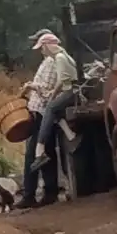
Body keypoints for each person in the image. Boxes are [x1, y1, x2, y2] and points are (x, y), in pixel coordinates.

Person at [17, 30, 73, 209]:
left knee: (34, 153)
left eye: (40, 45)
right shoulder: (52, 60)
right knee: (46, 151)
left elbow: (49, 87)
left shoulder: (52, 61)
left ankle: (30, 194)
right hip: (40, 110)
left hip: (41, 110)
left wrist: (31, 86)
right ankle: (49, 192)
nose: (39, 49)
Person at [29, 33, 79, 176]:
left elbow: (62, 81)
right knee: (54, 110)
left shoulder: (60, 58)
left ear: (48, 45)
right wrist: (53, 93)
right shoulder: (63, 56)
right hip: (70, 90)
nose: (42, 51)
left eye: (42, 47)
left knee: (50, 107)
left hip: (70, 91)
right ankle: (71, 136)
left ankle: (40, 150)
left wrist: (53, 94)